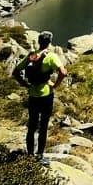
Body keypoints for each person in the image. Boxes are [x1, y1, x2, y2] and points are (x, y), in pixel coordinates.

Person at [13, 31, 66, 164]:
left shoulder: (31, 55)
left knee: (32, 125)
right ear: (49, 42)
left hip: (32, 94)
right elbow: (63, 72)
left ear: (39, 41)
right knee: (43, 126)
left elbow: (16, 71)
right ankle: (40, 156)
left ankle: (30, 154)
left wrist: (23, 83)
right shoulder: (51, 56)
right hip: (46, 94)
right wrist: (55, 85)